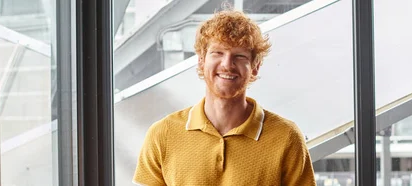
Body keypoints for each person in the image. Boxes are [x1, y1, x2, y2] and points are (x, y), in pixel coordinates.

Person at [132, 6, 316, 186]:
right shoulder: (162, 135)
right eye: (218, 53)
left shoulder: (287, 137)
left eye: (239, 56)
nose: (227, 64)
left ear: (255, 66)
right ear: (201, 61)